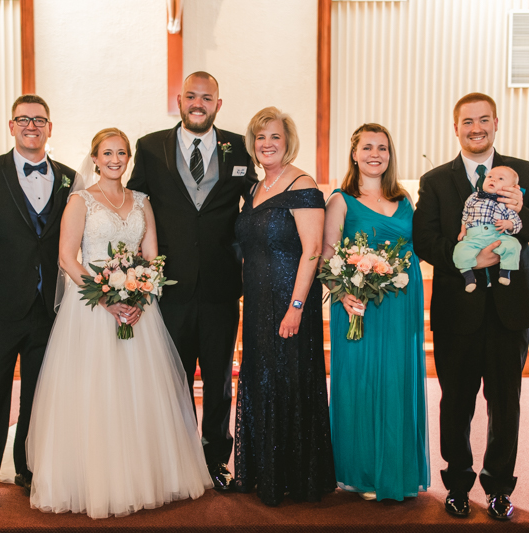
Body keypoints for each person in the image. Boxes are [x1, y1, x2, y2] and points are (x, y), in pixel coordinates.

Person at [26, 128, 212, 519]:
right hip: (92, 311)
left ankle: (143, 475)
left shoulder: (142, 201)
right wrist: (107, 297)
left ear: (129, 159)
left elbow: (152, 257)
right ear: (94, 158)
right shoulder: (80, 201)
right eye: (107, 153)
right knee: (96, 392)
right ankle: (94, 478)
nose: (115, 159)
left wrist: (141, 294)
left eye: (121, 153)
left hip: (137, 309)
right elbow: (66, 258)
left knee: (139, 393)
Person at [413, 93, 529, 520]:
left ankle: (498, 488)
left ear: (496, 123)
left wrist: (522, 212)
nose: (476, 128)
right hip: (459, 309)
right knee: (455, 401)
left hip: (510, 311)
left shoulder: (524, 172)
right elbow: (425, 240)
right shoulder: (436, 180)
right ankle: (457, 485)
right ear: (455, 127)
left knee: (505, 401)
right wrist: (468, 260)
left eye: (484, 120)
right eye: (467, 121)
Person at [127, 71, 258, 490]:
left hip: (222, 284)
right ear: (179, 101)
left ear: (219, 103)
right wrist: (130, 273)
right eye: (191, 96)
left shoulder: (239, 145)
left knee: (219, 378)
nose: (198, 103)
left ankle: (216, 459)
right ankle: (175, 460)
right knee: (171, 376)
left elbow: (258, 197)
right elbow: (135, 206)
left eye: (207, 97)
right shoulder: (150, 147)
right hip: (169, 287)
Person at [0, 95, 76, 511]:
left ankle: (27, 468)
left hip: (49, 310)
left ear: (49, 126)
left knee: (38, 396)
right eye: (23, 119)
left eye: (39, 119)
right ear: (11, 126)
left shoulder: (69, 178)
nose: (31, 125)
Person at [233, 107, 336, 506]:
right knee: (261, 381)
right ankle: (264, 472)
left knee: (290, 381)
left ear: (287, 141)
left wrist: (296, 306)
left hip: (290, 302)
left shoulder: (303, 184)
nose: (267, 144)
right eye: (260, 138)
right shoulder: (254, 189)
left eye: (274, 137)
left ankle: (296, 476)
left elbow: (312, 250)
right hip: (257, 303)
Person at [323, 123, 430, 502]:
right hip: (358, 306)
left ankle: (398, 470)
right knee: (361, 381)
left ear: (390, 154)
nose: (375, 154)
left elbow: (415, 249)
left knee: (397, 380)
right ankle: (361, 471)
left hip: (400, 305)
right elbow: (327, 255)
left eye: (382, 147)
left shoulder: (405, 199)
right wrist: (342, 293)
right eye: (367, 147)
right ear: (354, 153)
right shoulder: (340, 200)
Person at [454, 166, 522, 291]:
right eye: (490, 176)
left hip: (497, 235)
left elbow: (516, 222)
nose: (493, 180)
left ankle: (505, 271)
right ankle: (468, 276)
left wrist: (508, 224)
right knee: (460, 250)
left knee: (514, 244)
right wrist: (463, 230)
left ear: (512, 188)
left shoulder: (507, 203)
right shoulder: (473, 197)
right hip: (474, 236)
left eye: (500, 178)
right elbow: (465, 214)